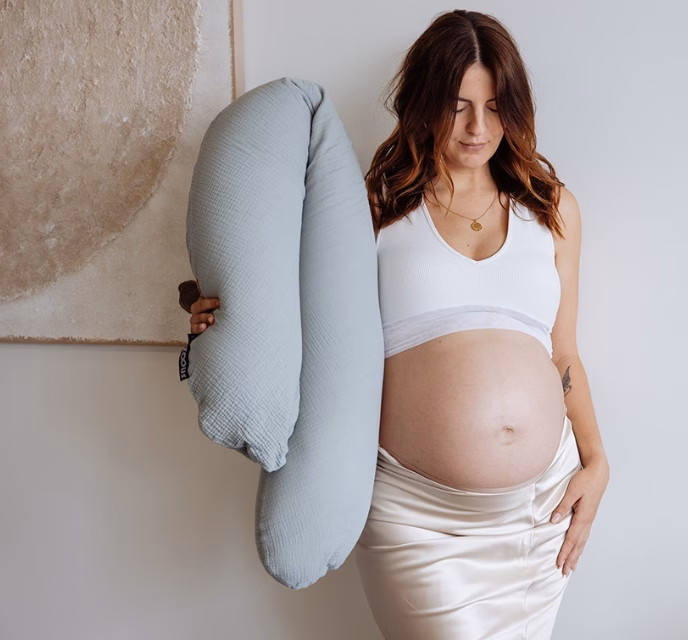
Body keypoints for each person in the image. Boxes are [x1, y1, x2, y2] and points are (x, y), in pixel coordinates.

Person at [181, 9, 609, 639]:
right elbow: (294, 313)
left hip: (537, 513)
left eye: (494, 108)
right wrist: (221, 322)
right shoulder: (376, 207)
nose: (477, 128)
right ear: (424, 103)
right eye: (458, 107)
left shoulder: (552, 209)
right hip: (416, 519)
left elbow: (563, 353)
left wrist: (597, 462)